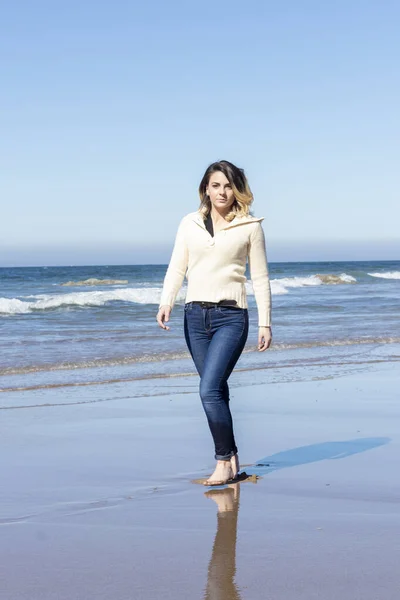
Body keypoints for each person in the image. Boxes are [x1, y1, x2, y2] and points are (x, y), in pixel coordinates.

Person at [156, 160, 272, 486]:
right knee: (217, 390)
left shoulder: (250, 226)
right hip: (194, 317)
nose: (222, 192)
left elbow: (260, 278)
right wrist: (167, 301)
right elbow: (178, 266)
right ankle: (232, 458)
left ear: (237, 189)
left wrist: (266, 323)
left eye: (228, 185)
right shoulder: (189, 223)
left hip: (232, 317)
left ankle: (222, 462)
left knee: (208, 390)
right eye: (216, 185)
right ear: (206, 188)